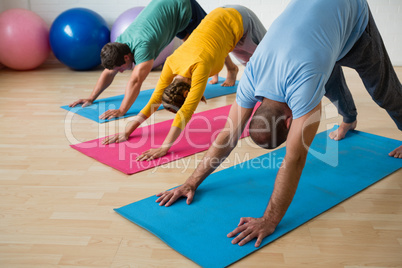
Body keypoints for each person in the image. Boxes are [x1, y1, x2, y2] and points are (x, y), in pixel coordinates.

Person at [154, 0, 402, 248]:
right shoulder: (251, 78)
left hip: (351, 15)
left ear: (289, 119)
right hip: (317, 36)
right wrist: (190, 183)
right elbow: (227, 136)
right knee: (326, 75)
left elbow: (294, 159)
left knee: (383, 91)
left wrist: (269, 219)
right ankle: (349, 119)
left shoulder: (303, 86)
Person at [102, 5, 267, 161]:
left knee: (268, 59)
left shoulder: (199, 67)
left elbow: (186, 112)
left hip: (238, 18)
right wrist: (127, 131)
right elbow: (154, 100)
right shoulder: (171, 61)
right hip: (222, 24)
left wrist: (164, 147)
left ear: (186, 93)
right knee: (256, 68)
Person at [68, 0, 207, 120]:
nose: (121, 72)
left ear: (126, 57)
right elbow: (108, 73)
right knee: (188, 40)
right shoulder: (120, 44)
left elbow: (135, 81)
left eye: (120, 68)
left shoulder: (143, 49)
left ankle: (230, 69)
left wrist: (122, 110)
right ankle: (222, 71)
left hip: (182, 5)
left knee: (211, 37)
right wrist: (91, 98)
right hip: (169, 12)